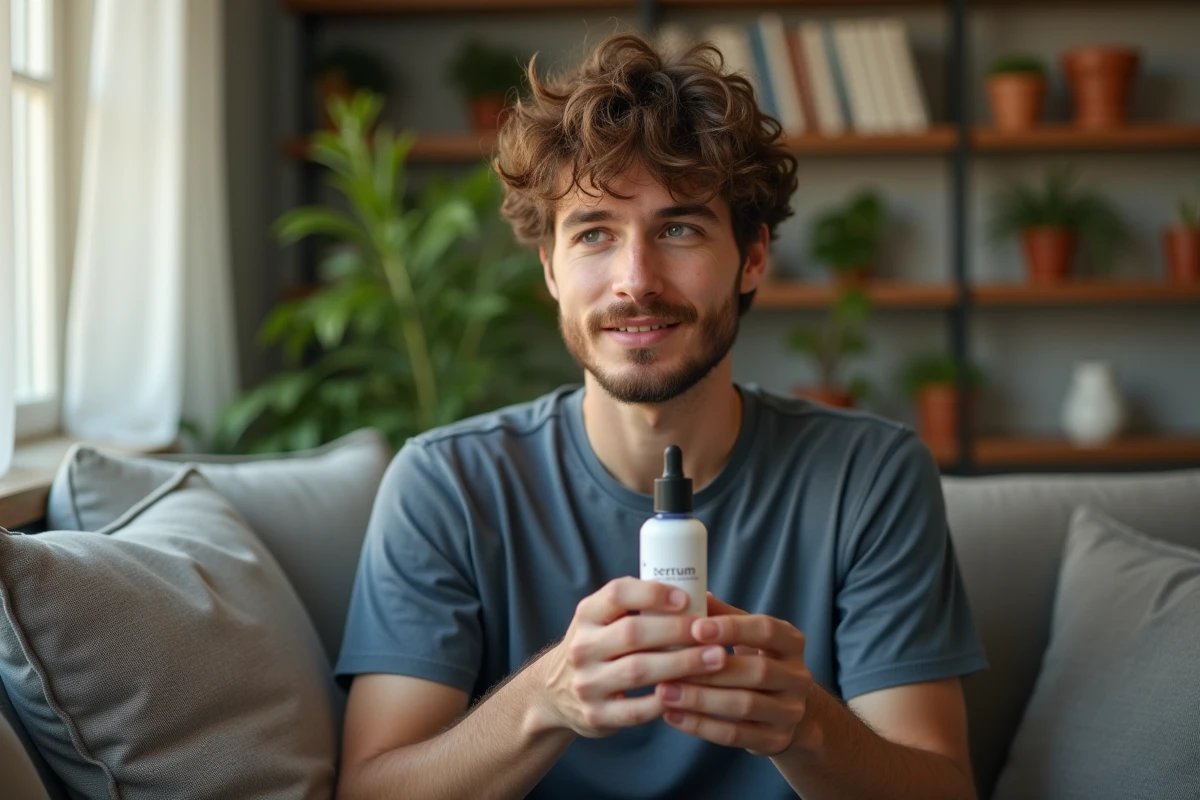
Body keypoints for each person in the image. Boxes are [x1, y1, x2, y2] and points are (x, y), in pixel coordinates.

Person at [333, 31, 988, 800]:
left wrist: (805, 726)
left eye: (679, 228)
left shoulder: (868, 477)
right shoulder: (446, 482)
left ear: (752, 258)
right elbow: (369, 791)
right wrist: (542, 701)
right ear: (549, 267)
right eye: (594, 234)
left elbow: (943, 788)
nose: (635, 280)